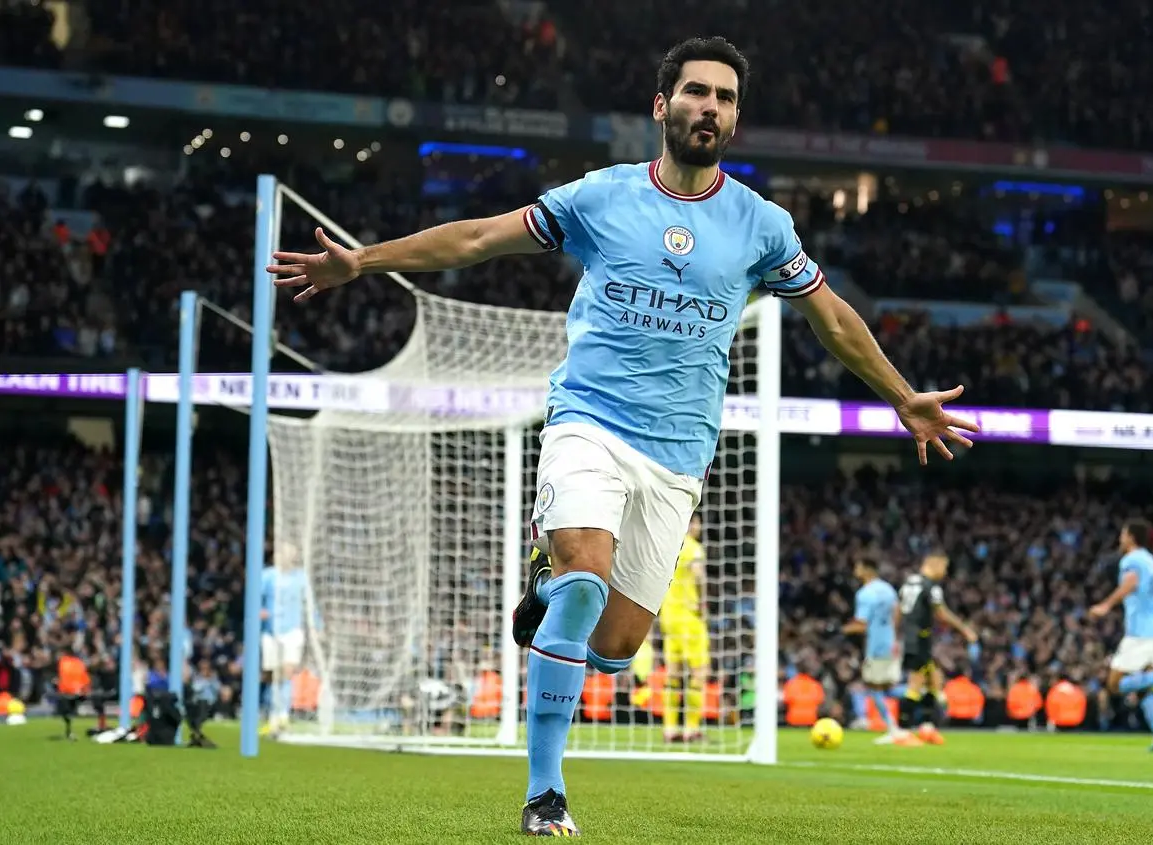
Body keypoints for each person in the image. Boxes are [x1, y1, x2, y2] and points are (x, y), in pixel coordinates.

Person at [268, 35, 979, 837]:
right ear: (662, 105)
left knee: (614, 647)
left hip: (678, 456)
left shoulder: (762, 225)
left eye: (725, 98)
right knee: (586, 580)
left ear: (735, 120)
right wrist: (362, 262)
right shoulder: (601, 197)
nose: (710, 107)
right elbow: (476, 240)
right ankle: (545, 793)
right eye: (696, 91)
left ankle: (545, 586)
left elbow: (833, 319)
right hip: (590, 424)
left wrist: (902, 396)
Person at [1089, 519, 1153, 751]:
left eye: (1123, 535)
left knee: (1114, 684)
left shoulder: (1131, 560)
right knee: (1144, 689)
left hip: (1141, 632)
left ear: (1131, 537)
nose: (1120, 539)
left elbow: (1130, 583)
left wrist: (1106, 605)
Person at [897, 554, 978, 745]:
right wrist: (965, 629)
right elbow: (941, 613)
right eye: (944, 567)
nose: (945, 572)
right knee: (916, 683)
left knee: (934, 680)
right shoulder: (930, 586)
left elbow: (899, 609)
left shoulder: (909, 583)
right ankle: (902, 731)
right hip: (919, 638)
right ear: (934, 564)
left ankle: (927, 728)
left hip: (913, 637)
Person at [843, 559, 918, 746]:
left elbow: (861, 624)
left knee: (873, 686)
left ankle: (893, 728)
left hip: (876, 646)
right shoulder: (887, 589)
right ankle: (916, 702)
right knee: (887, 686)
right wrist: (892, 633)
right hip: (890, 642)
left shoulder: (865, 593)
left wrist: (840, 630)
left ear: (866, 570)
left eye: (858, 567)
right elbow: (897, 611)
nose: (855, 570)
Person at [659, 513, 710, 743]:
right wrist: (703, 602)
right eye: (697, 522)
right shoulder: (693, 547)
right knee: (699, 672)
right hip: (689, 616)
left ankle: (670, 729)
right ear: (692, 524)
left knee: (673, 674)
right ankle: (691, 728)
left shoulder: (669, 545)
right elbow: (699, 575)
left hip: (669, 616)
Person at [260, 542, 315, 737]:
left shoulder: (301, 578)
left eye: (289, 553)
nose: (285, 556)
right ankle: (271, 714)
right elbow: (256, 599)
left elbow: (309, 603)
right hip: (270, 631)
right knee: (271, 674)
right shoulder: (267, 576)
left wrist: (316, 624)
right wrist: (260, 611)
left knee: (287, 671)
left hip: (292, 630)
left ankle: (283, 715)